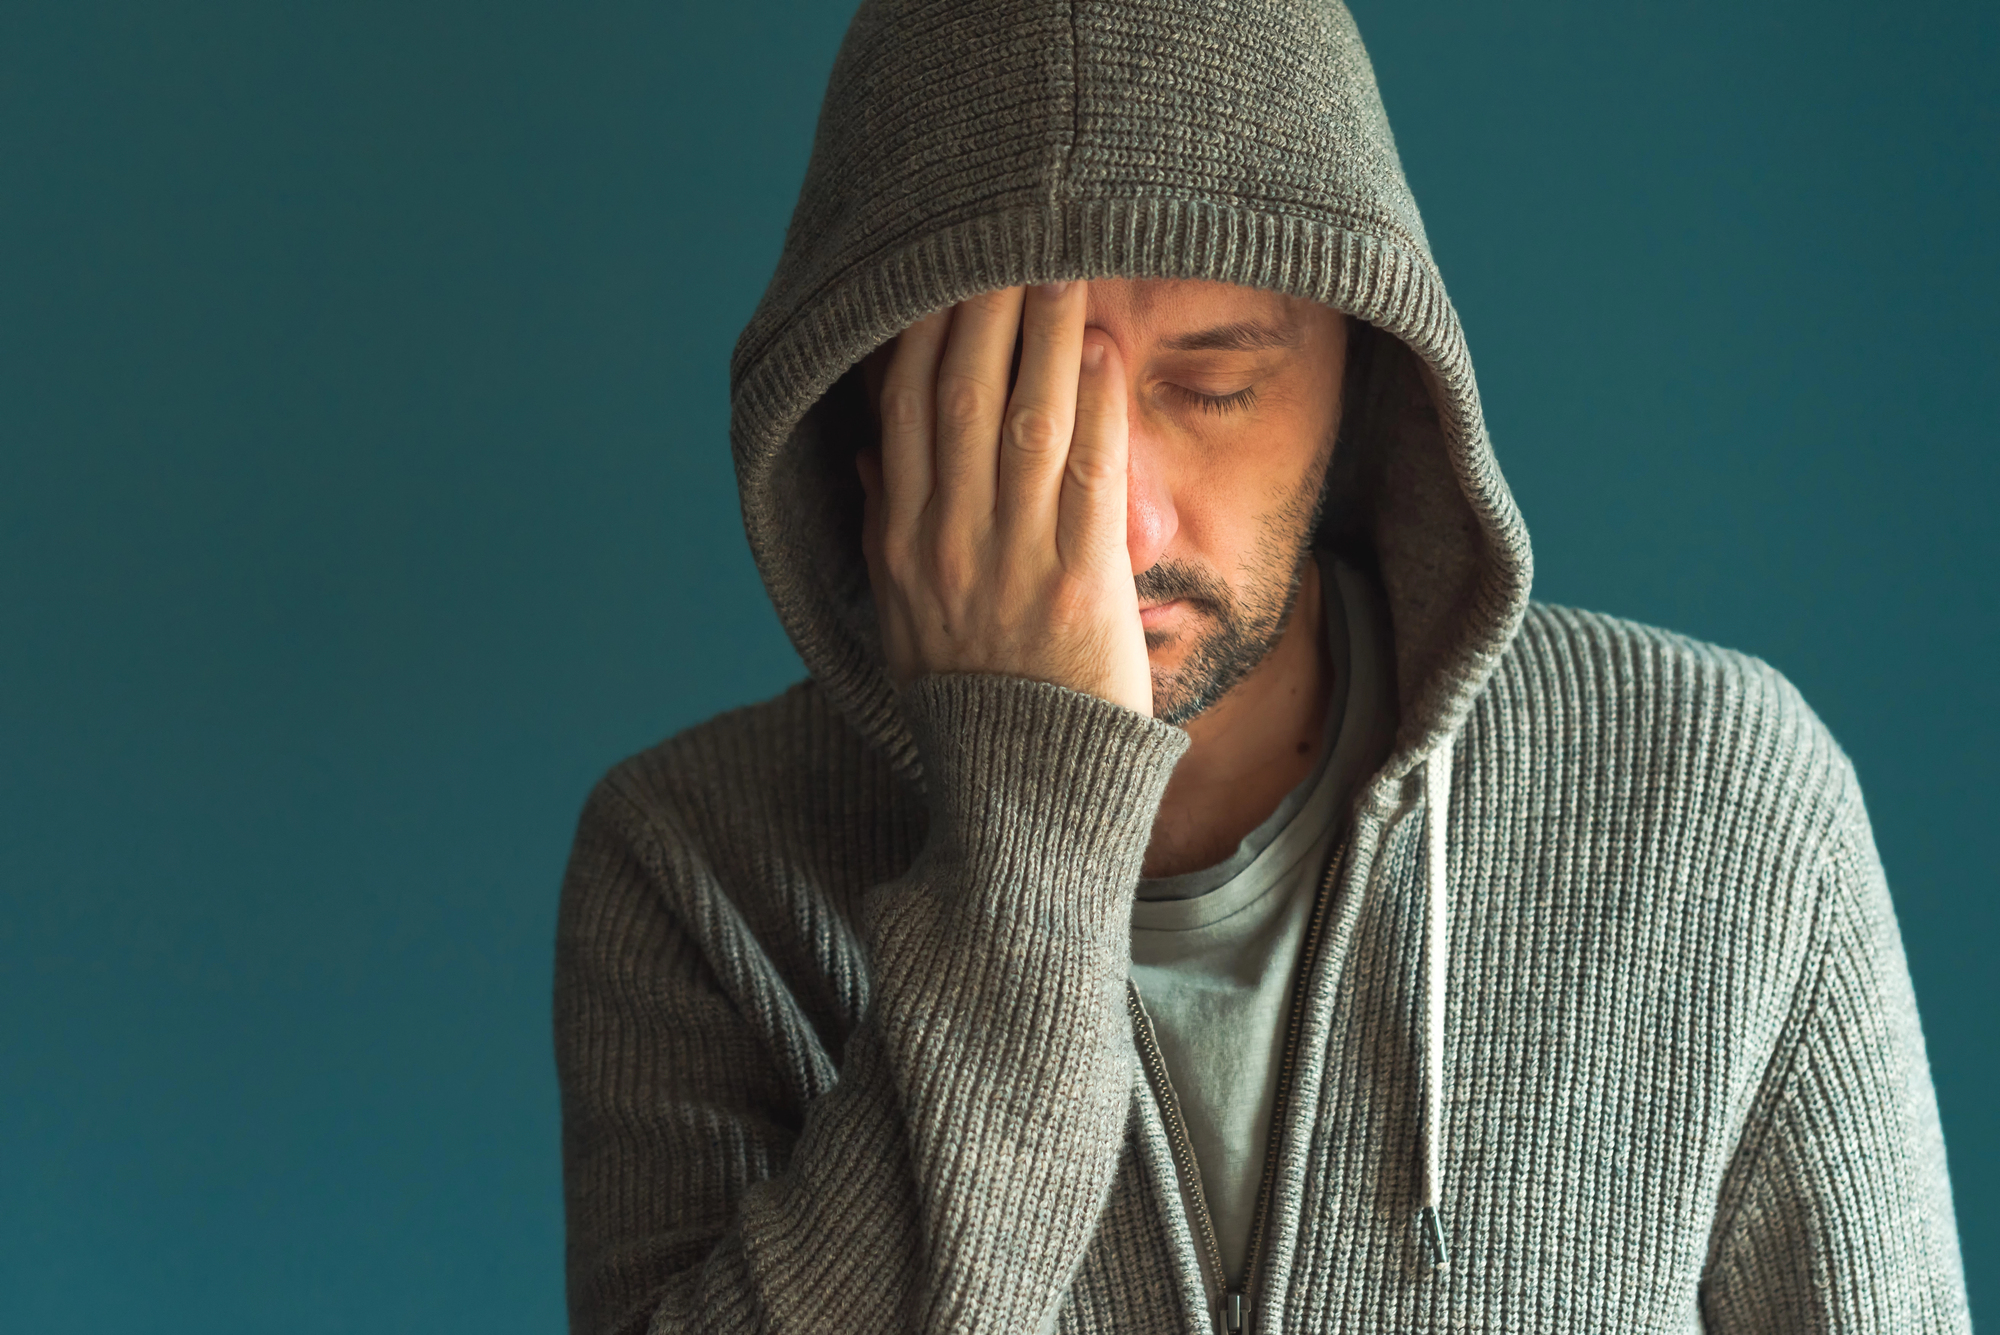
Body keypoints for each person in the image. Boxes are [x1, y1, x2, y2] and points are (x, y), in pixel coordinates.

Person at [552, 0, 1970, 1329]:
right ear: (868, 412)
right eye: (1007, 400)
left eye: (1214, 386)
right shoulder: (695, 872)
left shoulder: (1724, 805)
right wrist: (1027, 829)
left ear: (1362, 377)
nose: (1113, 520)